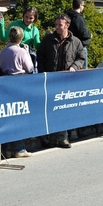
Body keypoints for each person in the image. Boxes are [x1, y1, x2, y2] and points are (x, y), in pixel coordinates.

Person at [37, 14, 84, 148]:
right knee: (51, 109)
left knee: (64, 109)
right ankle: (52, 138)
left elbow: (81, 58)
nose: (57, 27)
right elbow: (40, 57)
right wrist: (43, 73)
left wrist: (74, 67)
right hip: (51, 80)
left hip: (67, 81)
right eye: (56, 24)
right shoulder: (48, 40)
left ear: (67, 26)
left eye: (60, 25)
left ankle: (63, 138)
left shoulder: (76, 42)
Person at [0, 26, 34, 158]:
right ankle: (20, 148)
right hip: (18, 85)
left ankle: (7, 149)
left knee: (8, 117)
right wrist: (27, 52)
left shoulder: (2, 51)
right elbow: (29, 68)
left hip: (4, 86)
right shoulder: (21, 52)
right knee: (19, 117)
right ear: (21, 38)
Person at [67, 0, 92, 69]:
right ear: (80, 5)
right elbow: (83, 33)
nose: (83, 7)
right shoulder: (78, 18)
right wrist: (89, 35)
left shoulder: (68, 16)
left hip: (69, 45)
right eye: (83, 5)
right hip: (80, 46)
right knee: (83, 70)